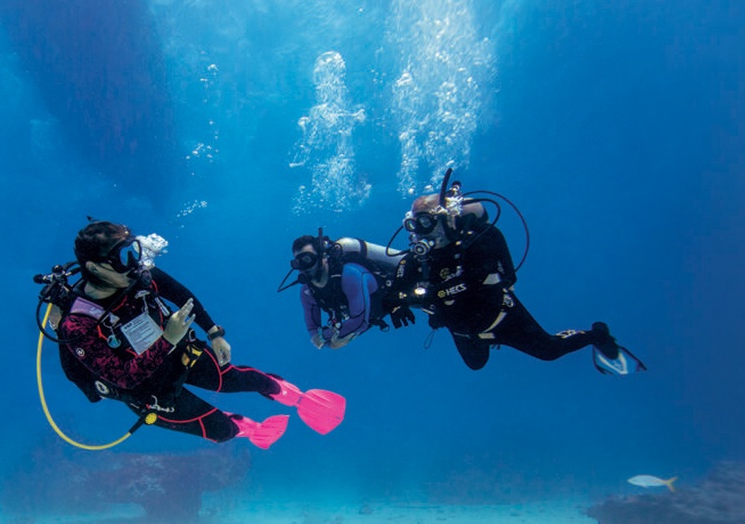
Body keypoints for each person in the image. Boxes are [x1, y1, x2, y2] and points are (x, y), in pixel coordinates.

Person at [54, 221, 346, 449]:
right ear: (94, 267)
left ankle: (295, 397)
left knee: (238, 379)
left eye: (132, 252)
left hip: (181, 354)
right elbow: (124, 377)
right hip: (150, 393)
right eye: (120, 258)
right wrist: (167, 339)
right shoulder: (78, 325)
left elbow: (181, 294)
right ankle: (251, 429)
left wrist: (214, 332)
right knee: (219, 430)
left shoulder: (139, 276)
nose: (131, 263)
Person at [390, 175, 645, 375]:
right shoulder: (420, 257)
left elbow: (480, 280)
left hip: (500, 316)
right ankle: (483, 340)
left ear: (445, 220)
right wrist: (395, 304)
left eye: (426, 224)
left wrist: (436, 293)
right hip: (463, 330)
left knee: (549, 351)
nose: (420, 234)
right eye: (413, 226)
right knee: (476, 365)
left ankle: (598, 334)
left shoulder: (479, 240)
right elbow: (398, 284)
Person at [281, 231, 415, 350]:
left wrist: (328, 337)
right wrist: (329, 339)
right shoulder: (307, 292)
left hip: (403, 290)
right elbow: (314, 334)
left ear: (323, 257)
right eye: (297, 263)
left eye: (307, 259)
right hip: (376, 311)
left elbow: (359, 322)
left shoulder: (351, 275)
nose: (304, 267)